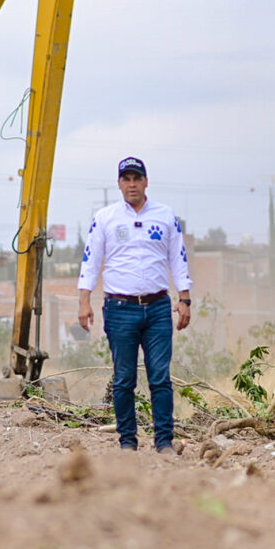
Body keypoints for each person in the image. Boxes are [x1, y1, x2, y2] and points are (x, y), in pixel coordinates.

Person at [78, 156, 192, 453]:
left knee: (160, 377)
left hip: (157, 309)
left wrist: (185, 298)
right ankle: (128, 442)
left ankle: (164, 441)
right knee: (124, 378)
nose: (131, 184)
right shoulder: (105, 218)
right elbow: (91, 260)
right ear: (119, 183)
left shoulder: (165, 216)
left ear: (146, 182)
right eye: (126, 179)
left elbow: (178, 258)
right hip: (119, 309)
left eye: (136, 178)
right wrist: (84, 300)